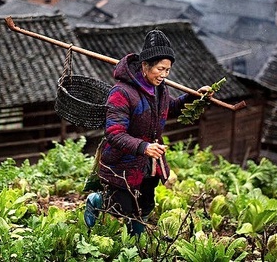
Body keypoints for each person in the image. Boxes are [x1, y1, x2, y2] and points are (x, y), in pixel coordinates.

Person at [84, 29, 211, 236]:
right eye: (160, 69)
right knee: (121, 208)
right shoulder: (121, 93)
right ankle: (97, 200)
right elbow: (114, 133)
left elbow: (169, 107)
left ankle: (136, 240)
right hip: (124, 160)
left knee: (145, 204)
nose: (164, 75)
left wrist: (194, 97)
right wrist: (143, 147)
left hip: (150, 161)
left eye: (168, 70)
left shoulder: (159, 89)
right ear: (145, 65)